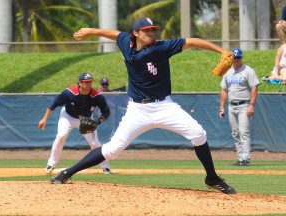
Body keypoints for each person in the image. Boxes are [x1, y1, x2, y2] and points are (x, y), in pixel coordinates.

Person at [51, 17, 236, 194]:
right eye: (146, 31)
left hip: (164, 107)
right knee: (112, 149)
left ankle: (212, 178)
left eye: (153, 30)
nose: (151, 33)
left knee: (198, 134)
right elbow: (114, 33)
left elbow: (193, 41)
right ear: (136, 33)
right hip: (137, 110)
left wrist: (221, 51)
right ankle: (67, 172)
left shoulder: (161, 47)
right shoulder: (126, 43)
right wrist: (91, 31)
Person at [38, 72, 112, 174]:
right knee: (61, 136)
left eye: (90, 82)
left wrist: (97, 122)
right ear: (80, 83)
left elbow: (106, 112)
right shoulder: (69, 93)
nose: (88, 84)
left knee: (95, 143)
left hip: (86, 119)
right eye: (86, 82)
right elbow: (54, 103)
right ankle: (51, 164)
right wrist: (44, 119)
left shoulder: (96, 96)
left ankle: (106, 167)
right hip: (68, 116)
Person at [219, 48, 260, 166]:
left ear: (241, 58)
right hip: (231, 106)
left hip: (244, 105)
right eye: (235, 57)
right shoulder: (227, 71)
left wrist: (251, 105)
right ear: (231, 58)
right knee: (235, 132)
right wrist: (222, 107)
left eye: (239, 57)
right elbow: (224, 90)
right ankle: (240, 156)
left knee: (244, 132)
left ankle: (245, 158)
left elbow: (254, 88)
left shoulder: (248, 70)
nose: (237, 60)